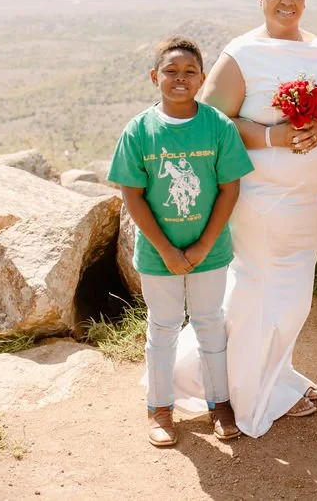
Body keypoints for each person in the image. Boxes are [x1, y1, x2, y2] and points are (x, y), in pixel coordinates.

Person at [188, 0, 317, 437]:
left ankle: (274, 376)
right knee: (259, 291)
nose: (287, 2)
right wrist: (270, 137)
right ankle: (242, 393)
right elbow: (210, 121)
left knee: (293, 297)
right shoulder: (243, 53)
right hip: (259, 200)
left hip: (310, 198)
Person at [107, 36, 254, 448]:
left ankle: (219, 404)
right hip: (158, 254)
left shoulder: (217, 127)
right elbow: (133, 195)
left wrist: (204, 245)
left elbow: (229, 188)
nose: (180, 78)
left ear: (202, 79)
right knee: (163, 327)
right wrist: (167, 250)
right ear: (154, 76)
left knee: (210, 324)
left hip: (211, 250)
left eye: (190, 71)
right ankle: (159, 407)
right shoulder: (139, 131)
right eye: (170, 71)